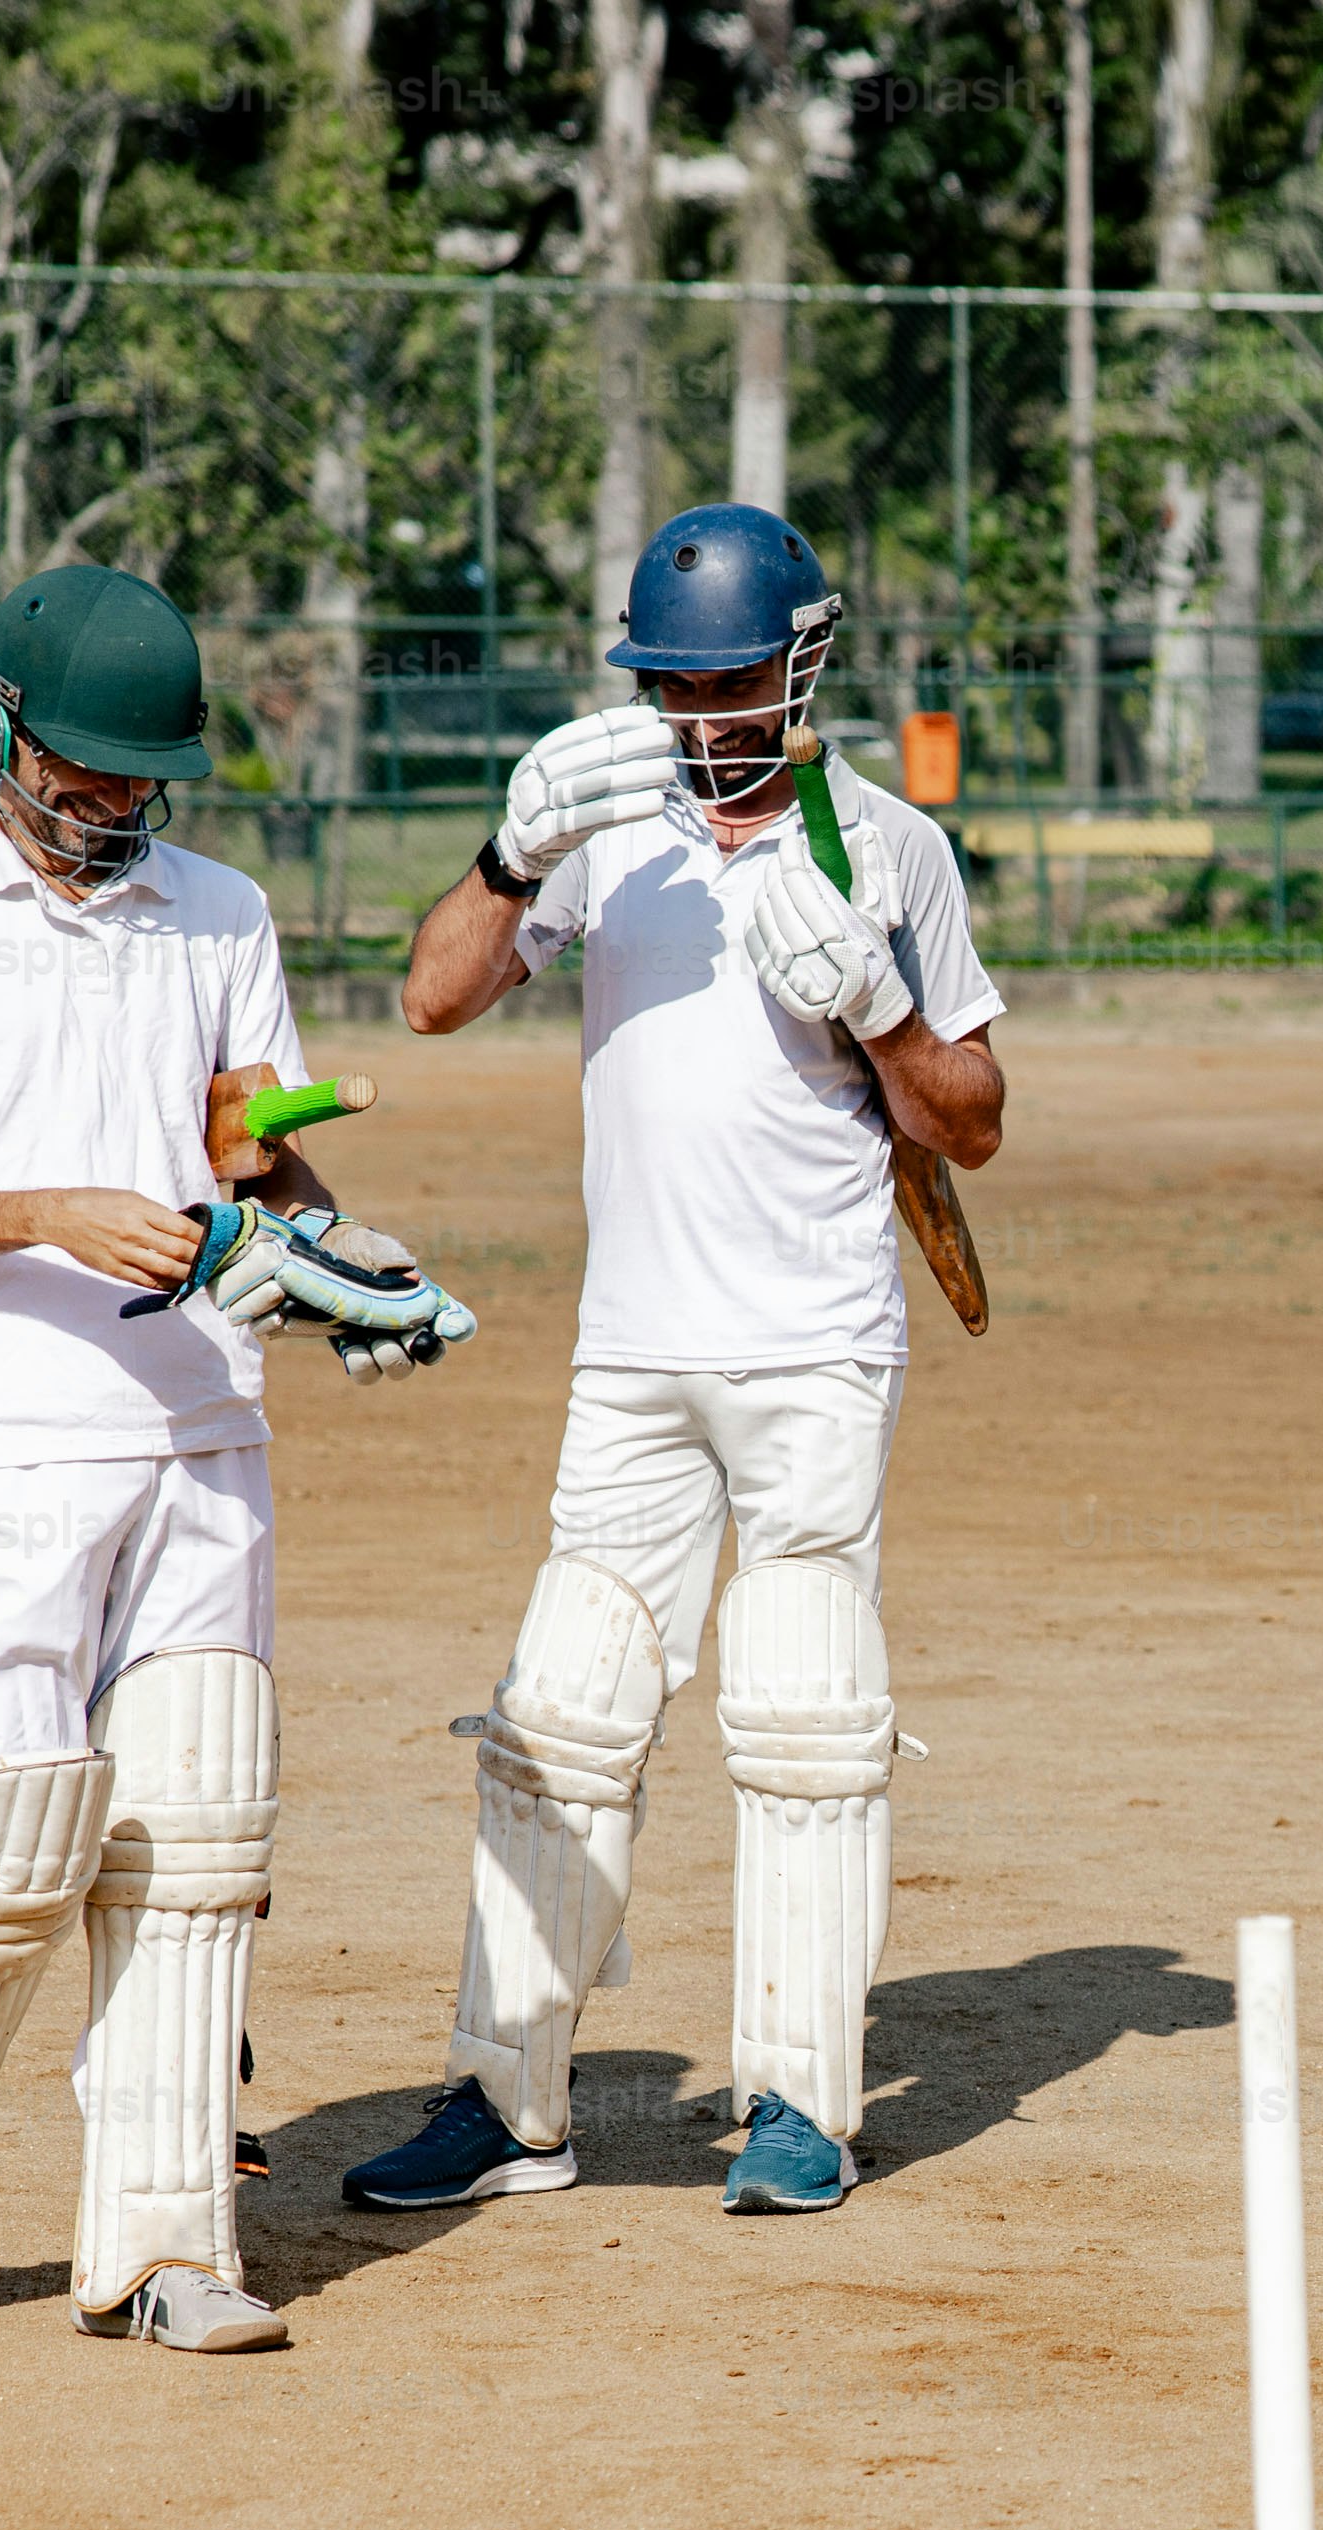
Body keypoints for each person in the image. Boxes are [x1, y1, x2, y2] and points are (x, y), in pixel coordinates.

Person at [0, 563, 451, 2352]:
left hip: (206, 1426)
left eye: (129, 786)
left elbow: (252, 1153)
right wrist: (54, 1214)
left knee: (199, 1831)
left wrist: (333, 1247)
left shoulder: (220, 910)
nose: (99, 813)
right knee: (6, 1837)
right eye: (71, 776)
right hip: (8, 1433)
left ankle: (167, 2247)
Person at [348, 504, 1007, 2222]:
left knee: (801, 1711)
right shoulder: (610, 832)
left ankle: (800, 2101)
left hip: (813, 1347)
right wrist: (508, 854)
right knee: (560, 1708)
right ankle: (509, 2102)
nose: (699, 715)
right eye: (671, 682)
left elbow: (975, 1123)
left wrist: (874, 1002)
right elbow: (431, 999)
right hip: (631, 1354)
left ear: (801, 663)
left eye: (727, 680)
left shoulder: (887, 851)